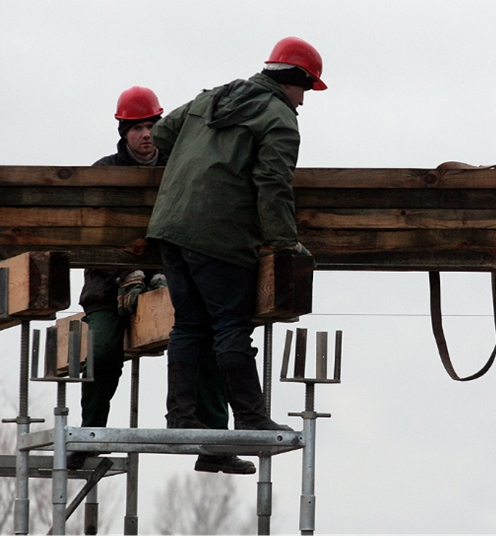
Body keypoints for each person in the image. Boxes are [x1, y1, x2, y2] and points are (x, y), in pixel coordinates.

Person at [145, 37, 325, 465]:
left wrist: (198, 155)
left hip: (169, 226)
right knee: (230, 327)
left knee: (189, 325)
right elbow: (273, 183)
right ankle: (251, 418)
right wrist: (285, 243)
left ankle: (181, 418)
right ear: (296, 81)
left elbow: (163, 134)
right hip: (218, 235)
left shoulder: (216, 95)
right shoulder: (280, 117)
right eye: (306, 90)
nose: (304, 101)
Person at [68, 86, 245, 474]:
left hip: (176, 278)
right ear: (123, 132)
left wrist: (165, 273)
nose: (146, 134)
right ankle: (87, 436)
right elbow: (93, 240)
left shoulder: (180, 168)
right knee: (101, 348)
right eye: (137, 128)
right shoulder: (105, 173)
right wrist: (126, 275)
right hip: (108, 290)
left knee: (210, 340)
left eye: (152, 126)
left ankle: (215, 442)